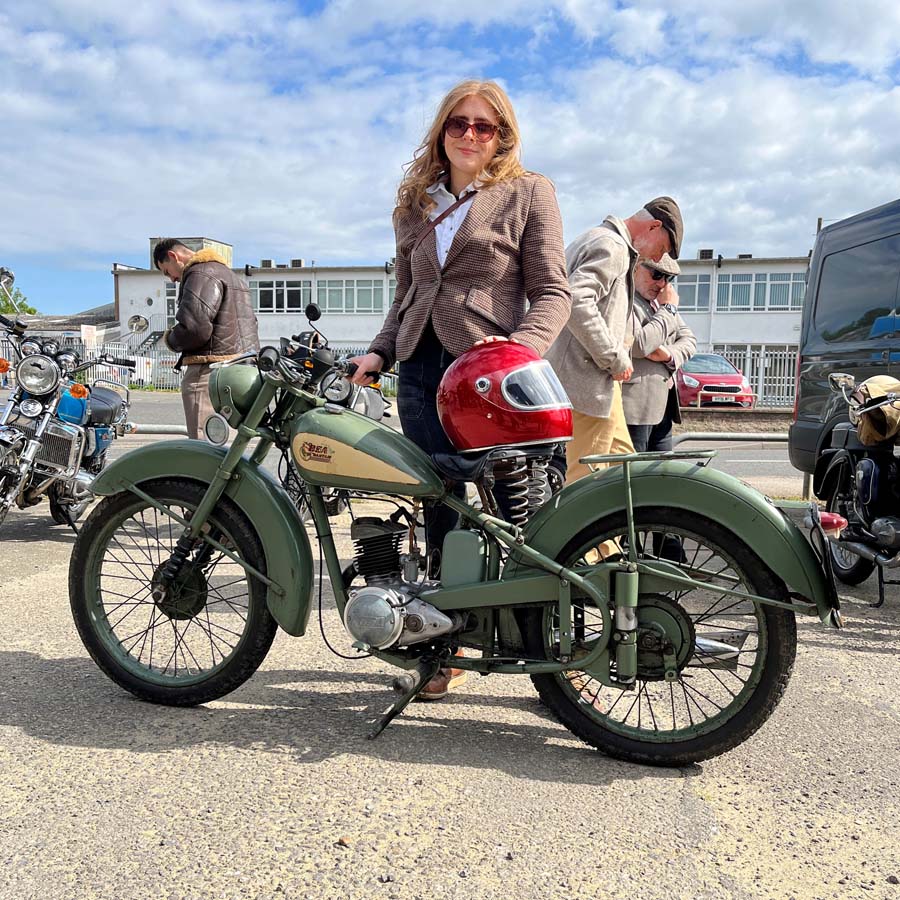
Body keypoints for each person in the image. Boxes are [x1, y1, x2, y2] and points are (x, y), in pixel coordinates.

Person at [349, 79, 571, 699]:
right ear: (441, 130)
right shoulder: (414, 205)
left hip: (489, 371)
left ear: (503, 136)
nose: (471, 135)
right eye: (459, 123)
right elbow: (407, 296)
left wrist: (518, 355)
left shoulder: (528, 193)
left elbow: (553, 291)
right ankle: (445, 645)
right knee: (441, 503)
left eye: (485, 126)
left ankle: (553, 653)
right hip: (422, 369)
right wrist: (380, 350)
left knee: (517, 508)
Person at [545, 197, 683, 484]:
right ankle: (584, 530)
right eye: (663, 248)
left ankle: (618, 530)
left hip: (597, 382)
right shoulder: (613, 246)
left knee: (622, 469)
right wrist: (613, 357)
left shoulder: (599, 239)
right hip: (588, 381)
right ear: (654, 226)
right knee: (588, 480)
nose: (658, 258)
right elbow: (578, 300)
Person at [154, 239, 260, 440]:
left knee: (202, 446)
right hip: (241, 371)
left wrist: (171, 339)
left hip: (209, 370)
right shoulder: (233, 278)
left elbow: (195, 328)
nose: (172, 279)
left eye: (167, 271)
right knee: (224, 445)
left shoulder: (198, 273)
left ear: (173, 256)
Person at [622, 253, 696, 452]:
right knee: (634, 476)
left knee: (662, 476)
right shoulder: (624, 300)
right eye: (657, 274)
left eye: (668, 278)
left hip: (663, 407)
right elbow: (640, 344)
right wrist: (669, 308)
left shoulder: (661, 305)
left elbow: (690, 340)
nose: (662, 284)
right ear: (636, 267)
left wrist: (669, 355)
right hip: (633, 410)